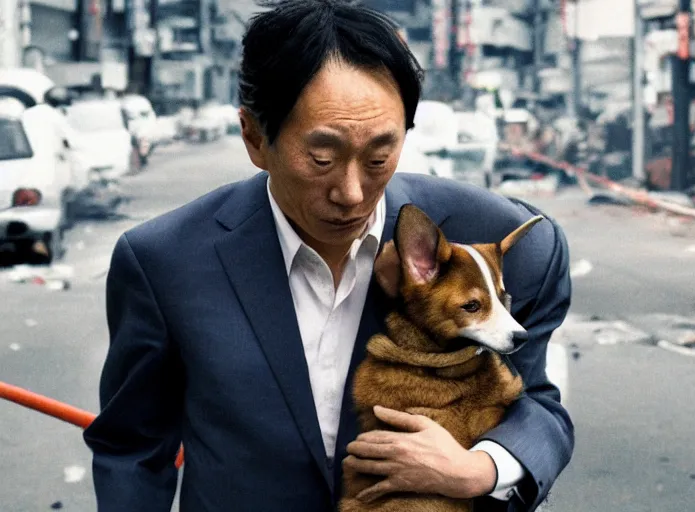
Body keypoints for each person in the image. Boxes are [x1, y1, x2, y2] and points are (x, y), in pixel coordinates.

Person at [83, 0, 574, 510]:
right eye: (322, 158)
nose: (353, 193)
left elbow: (538, 405)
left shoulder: (504, 246)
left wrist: (480, 468)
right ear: (254, 137)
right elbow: (132, 447)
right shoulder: (165, 263)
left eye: (379, 157)